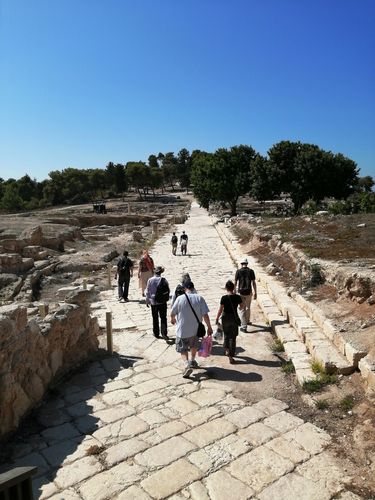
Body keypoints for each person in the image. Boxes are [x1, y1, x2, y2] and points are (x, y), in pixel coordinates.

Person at [171, 280, 213, 378]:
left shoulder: (179, 299)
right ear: (193, 288)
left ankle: (187, 364)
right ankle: (192, 360)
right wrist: (209, 327)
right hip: (195, 330)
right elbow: (205, 315)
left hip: (182, 330)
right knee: (194, 345)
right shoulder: (199, 298)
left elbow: (173, 312)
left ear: (184, 289)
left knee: (183, 349)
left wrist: (172, 319)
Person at [215, 280, 243, 364]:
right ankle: (231, 355)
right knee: (233, 336)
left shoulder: (224, 298)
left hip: (225, 318)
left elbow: (220, 309)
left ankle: (227, 351)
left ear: (226, 288)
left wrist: (216, 318)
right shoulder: (237, 297)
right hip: (234, 318)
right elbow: (242, 307)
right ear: (233, 288)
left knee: (226, 335)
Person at [145, 266, 170, 340]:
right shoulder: (164, 280)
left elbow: (147, 291)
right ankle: (164, 333)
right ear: (161, 272)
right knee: (163, 318)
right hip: (162, 302)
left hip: (154, 302)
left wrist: (147, 300)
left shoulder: (150, 280)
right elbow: (168, 290)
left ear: (154, 272)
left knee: (155, 318)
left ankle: (156, 333)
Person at [234, 258, 257, 332]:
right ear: (247, 264)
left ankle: (244, 326)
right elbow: (253, 282)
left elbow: (235, 282)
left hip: (241, 292)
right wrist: (255, 292)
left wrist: (234, 290)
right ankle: (247, 321)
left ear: (241, 264)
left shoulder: (238, 271)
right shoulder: (251, 271)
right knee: (248, 307)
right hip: (248, 291)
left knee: (242, 309)